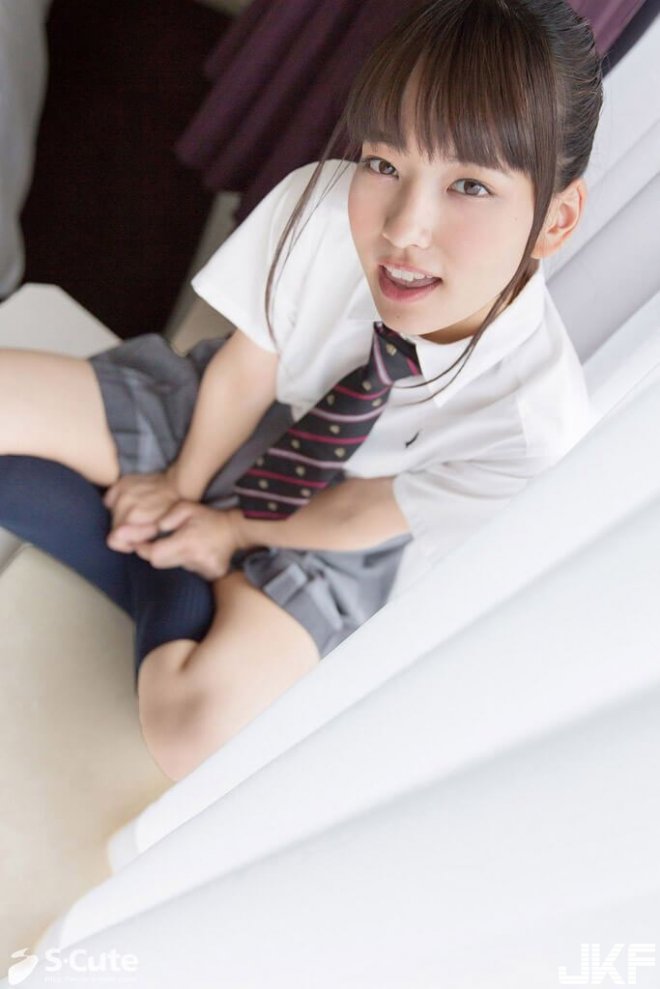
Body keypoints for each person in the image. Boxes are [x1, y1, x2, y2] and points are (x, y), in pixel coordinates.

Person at [0, 0, 603, 782]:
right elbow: (247, 368)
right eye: (385, 164)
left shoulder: (536, 425)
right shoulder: (322, 205)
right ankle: (159, 529)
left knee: (192, 732)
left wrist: (228, 531)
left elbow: (365, 512)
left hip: (336, 522)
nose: (404, 228)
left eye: (469, 185)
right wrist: (180, 485)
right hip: (232, 415)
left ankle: (161, 561)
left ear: (555, 221)